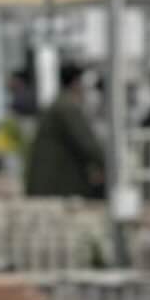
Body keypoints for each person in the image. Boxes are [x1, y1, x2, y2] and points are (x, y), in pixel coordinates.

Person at [22, 64, 108, 201]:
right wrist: (112, 166)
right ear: (76, 83)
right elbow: (87, 144)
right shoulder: (68, 108)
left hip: (49, 181)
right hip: (56, 183)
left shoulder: (60, 103)